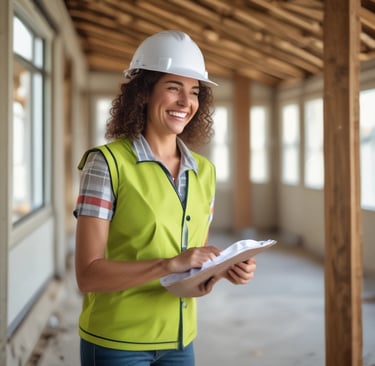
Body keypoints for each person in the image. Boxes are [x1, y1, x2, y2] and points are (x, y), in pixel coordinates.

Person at [74, 30, 257, 366]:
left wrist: (220, 270)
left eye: (194, 91)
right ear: (144, 93)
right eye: (173, 87)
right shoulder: (107, 164)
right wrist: (169, 264)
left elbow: (190, 272)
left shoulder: (204, 172)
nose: (186, 103)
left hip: (180, 340)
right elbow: (88, 275)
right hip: (118, 342)